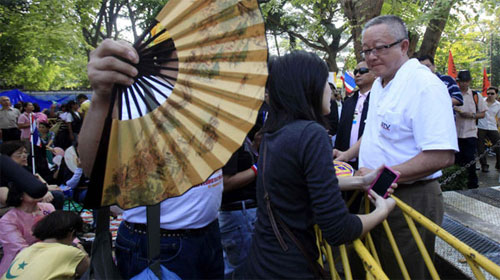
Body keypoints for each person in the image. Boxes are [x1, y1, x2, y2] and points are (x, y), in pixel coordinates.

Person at [236, 51, 396, 279]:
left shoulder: (274, 131)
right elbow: (338, 229)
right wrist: (383, 210)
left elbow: (294, 184)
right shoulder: (311, 134)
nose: (330, 90)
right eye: (325, 83)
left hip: (265, 259)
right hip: (291, 266)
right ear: (308, 87)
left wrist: (360, 181)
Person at [79, 39, 224, 279]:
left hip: (209, 233)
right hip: (158, 245)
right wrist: (101, 97)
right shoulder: (136, 93)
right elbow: (92, 169)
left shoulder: (207, 97)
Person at [334, 15, 457, 279]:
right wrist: (347, 157)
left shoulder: (424, 85)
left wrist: (381, 176)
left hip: (410, 196)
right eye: (366, 50)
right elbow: (373, 135)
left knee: (402, 270)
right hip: (374, 191)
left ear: (404, 46)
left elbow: (442, 155)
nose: (371, 57)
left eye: (379, 48)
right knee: (370, 266)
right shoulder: (379, 84)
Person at [1, 210, 90, 280]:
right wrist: (82, 252)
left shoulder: (27, 250)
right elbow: (93, 273)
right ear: (72, 233)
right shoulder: (71, 252)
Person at [219, 138, 258, 276]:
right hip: (239, 217)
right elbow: (225, 183)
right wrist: (257, 168)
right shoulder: (228, 137)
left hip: (240, 216)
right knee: (245, 272)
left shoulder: (239, 133)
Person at [0, 183, 55, 276]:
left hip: (51, 258)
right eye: (31, 189)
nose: (36, 191)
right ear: (20, 195)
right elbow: (20, 249)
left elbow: (62, 230)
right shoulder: (8, 220)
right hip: (20, 265)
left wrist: (76, 244)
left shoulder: (47, 209)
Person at [335, 61, 375, 170]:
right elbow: (341, 130)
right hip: (345, 161)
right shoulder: (348, 102)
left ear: (375, 73)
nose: (357, 75)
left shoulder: (379, 100)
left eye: (362, 71)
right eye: (356, 71)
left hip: (368, 163)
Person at [0, 141, 63, 209]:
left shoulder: (26, 170)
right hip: (12, 207)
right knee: (56, 196)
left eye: (25, 152)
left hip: (30, 202)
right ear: (7, 157)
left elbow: (41, 185)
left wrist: (47, 188)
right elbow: (6, 200)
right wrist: (40, 195)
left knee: (57, 192)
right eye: (19, 153)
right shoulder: (2, 175)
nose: (24, 155)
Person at [454, 69, 487, 188]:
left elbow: (482, 114)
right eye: (461, 81)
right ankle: (456, 184)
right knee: (456, 160)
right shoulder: (454, 95)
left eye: (465, 81)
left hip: (470, 133)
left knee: (470, 159)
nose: (463, 84)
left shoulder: (475, 95)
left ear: (469, 81)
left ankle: (472, 184)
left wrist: (471, 115)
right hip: (455, 133)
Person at [477, 86, 500, 172]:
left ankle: (498, 164)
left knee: (498, 145)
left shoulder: (498, 105)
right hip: (481, 126)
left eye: (492, 93)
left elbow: (499, 118)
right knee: (480, 148)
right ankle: (484, 165)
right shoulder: (481, 102)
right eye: (488, 93)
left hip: (492, 127)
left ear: (496, 95)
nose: (490, 95)